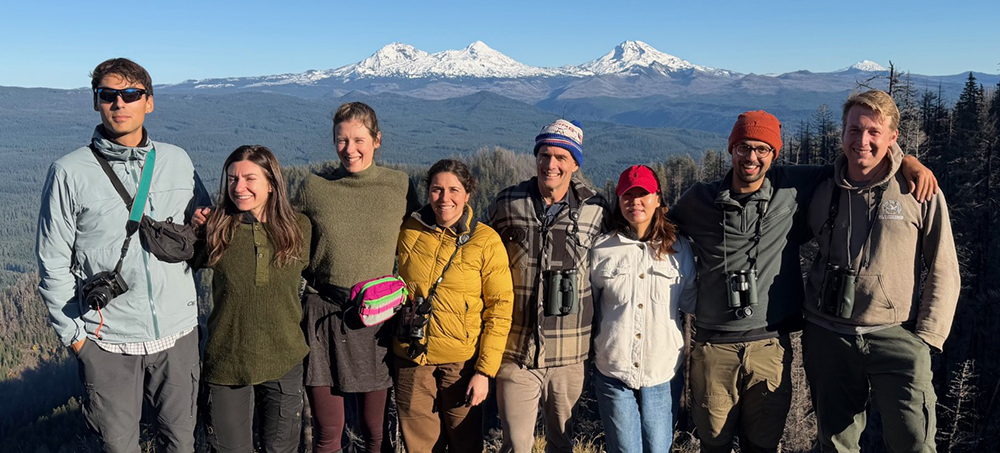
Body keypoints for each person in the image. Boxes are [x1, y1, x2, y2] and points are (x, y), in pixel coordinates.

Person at [669, 110, 939, 453]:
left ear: (774, 154)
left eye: (762, 149)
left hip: (770, 343)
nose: (751, 158)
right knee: (714, 443)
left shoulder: (793, 186)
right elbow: (659, 230)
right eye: (743, 148)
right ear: (731, 149)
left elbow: (863, 163)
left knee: (763, 444)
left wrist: (909, 163)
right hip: (713, 346)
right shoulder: (699, 199)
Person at [36, 57, 209, 453]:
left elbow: (199, 233)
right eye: (108, 95)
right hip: (109, 341)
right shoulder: (69, 172)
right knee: (118, 447)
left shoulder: (177, 160)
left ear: (149, 102)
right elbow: (52, 262)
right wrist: (78, 341)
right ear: (96, 102)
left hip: (178, 335)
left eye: (131, 94)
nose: (119, 103)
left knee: (181, 443)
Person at [802, 90, 960, 452]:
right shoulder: (820, 187)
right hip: (829, 335)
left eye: (874, 131)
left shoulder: (918, 190)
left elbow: (944, 266)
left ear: (893, 138)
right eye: (854, 130)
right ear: (842, 133)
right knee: (835, 445)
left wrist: (927, 338)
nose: (863, 141)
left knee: (914, 443)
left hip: (897, 336)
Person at [297, 102, 419, 453]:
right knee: (327, 432)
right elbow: (284, 232)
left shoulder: (399, 186)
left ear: (377, 140)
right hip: (323, 317)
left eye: (359, 140)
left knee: (375, 433)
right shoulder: (314, 187)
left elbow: (420, 238)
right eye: (341, 140)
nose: (350, 149)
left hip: (377, 320)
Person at [486, 119, 610, 453]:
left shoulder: (596, 210)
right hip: (515, 350)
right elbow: (480, 258)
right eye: (544, 154)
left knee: (561, 443)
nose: (550, 164)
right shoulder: (507, 203)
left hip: (569, 353)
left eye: (560, 156)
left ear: (574, 163)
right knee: (515, 444)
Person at [393, 159, 514, 453]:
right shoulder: (409, 229)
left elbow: (499, 308)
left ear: (468, 194)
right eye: (436, 189)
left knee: (465, 444)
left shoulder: (485, 241)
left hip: (460, 365)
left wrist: (484, 372)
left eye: (453, 190)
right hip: (412, 357)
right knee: (419, 448)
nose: (444, 198)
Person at [195, 145, 310, 453]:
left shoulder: (300, 229)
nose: (238, 187)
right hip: (227, 360)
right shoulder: (215, 228)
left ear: (272, 183)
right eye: (232, 179)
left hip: (284, 357)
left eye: (249, 178)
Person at [590, 165, 697, 453]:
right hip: (614, 369)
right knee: (625, 449)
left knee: (658, 449)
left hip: (662, 371)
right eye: (627, 195)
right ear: (618, 200)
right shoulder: (601, 249)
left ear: (658, 199)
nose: (634, 202)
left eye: (643, 194)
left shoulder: (679, 250)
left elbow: (691, 302)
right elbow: (591, 308)